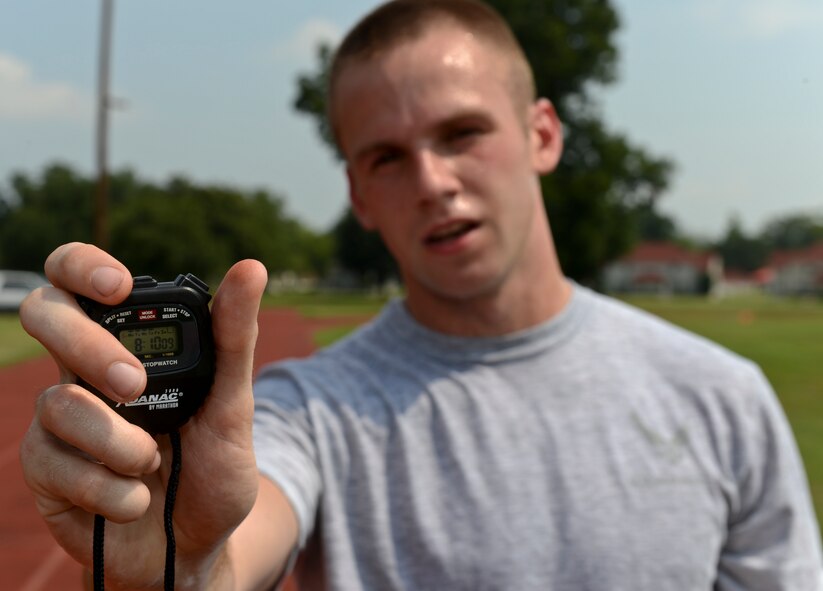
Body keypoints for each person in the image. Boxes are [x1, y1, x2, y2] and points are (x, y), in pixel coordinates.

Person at [18, 0, 823, 589]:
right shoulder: (308, 407)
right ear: (358, 196)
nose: (433, 182)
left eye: (462, 133)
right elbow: (236, 538)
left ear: (542, 134)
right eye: (387, 158)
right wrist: (184, 564)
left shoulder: (723, 396)